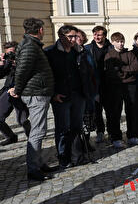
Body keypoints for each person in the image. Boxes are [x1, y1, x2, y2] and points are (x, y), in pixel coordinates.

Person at [10, 18, 57, 181]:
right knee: (38, 131)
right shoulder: (30, 46)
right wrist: (17, 89)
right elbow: (22, 70)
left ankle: (38, 163)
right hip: (36, 93)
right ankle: (33, 169)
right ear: (40, 30)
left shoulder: (31, 44)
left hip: (37, 91)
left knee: (37, 130)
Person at [44, 25, 93, 168]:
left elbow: (87, 72)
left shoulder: (78, 52)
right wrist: (53, 94)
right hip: (61, 96)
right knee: (62, 128)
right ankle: (63, 158)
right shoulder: (50, 52)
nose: (73, 39)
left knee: (76, 127)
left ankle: (77, 156)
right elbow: (46, 76)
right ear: (61, 36)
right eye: (70, 37)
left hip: (78, 94)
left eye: (75, 36)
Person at [104, 32, 138, 148]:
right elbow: (111, 72)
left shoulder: (129, 54)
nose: (121, 44)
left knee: (132, 110)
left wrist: (122, 69)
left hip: (130, 85)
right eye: (118, 41)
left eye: (122, 41)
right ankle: (116, 137)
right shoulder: (109, 55)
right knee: (116, 112)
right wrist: (126, 72)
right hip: (116, 86)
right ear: (113, 42)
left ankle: (132, 136)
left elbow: (136, 67)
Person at [0, 41, 30, 145]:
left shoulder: (25, 59)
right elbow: (1, 74)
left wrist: (18, 63)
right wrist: (3, 63)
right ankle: (11, 137)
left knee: (22, 120)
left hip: (20, 91)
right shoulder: (8, 62)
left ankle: (32, 139)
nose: (11, 55)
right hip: (7, 91)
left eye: (12, 52)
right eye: (8, 53)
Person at [87, 26, 111, 143]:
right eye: (95, 35)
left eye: (99, 35)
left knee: (111, 111)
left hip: (109, 84)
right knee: (97, 111)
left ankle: (112, 132)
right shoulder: (88, 49)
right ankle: (100, 132)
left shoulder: (111, 48)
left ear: (104, 36)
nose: (97, 37)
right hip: (94, 85)